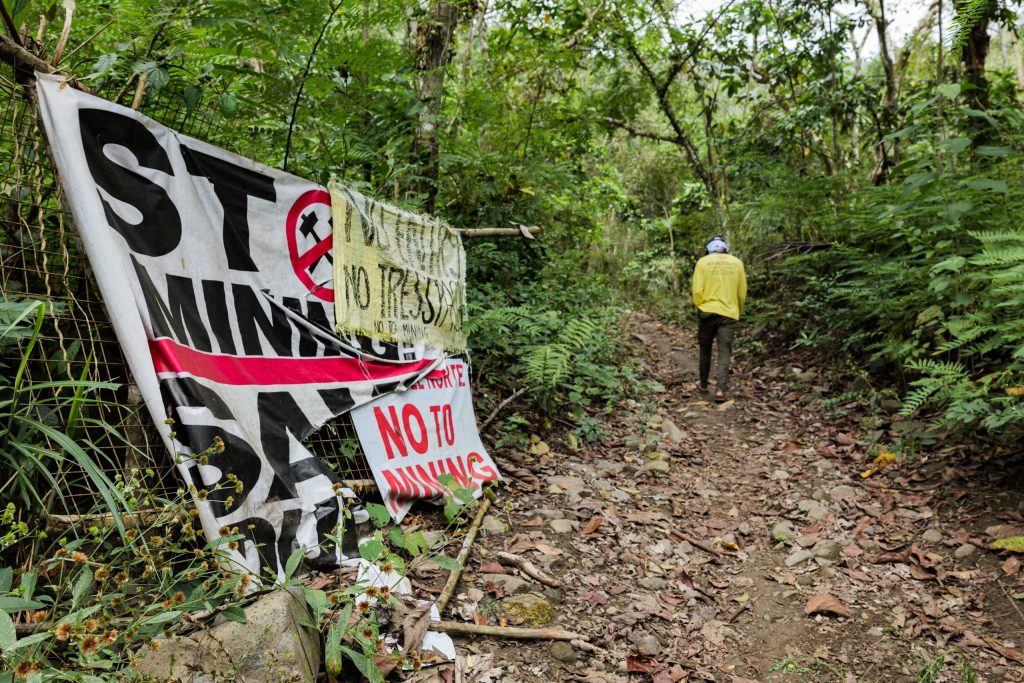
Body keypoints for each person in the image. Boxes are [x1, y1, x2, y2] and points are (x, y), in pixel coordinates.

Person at [691, 235, 746, 401]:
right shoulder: (737, 263)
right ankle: (720, 390)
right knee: (724, 351)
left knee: (705, 349)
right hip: (729, 313)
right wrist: (737, 310)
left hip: (707, 312)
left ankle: (703, 384)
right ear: (725, 248)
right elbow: (741, 292)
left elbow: (697, 291)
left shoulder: (703, 262)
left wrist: (701, 306)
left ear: (709, 249)